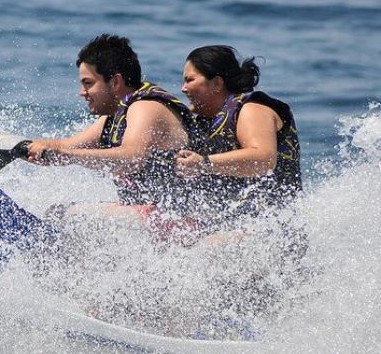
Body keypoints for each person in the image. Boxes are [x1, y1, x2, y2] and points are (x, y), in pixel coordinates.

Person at [27, 34, 196, 221]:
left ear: (115, 81)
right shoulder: (114, 116)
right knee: (59, 213)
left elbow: (131, 158)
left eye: (88, 83)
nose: (82, 93)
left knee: (64, 216)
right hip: (148, 218)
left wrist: (67, 156)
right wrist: (11, 144)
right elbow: (66, 145)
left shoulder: (145, 107)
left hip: (180, 223)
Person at [176, 45, 302, 226]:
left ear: (217, 83)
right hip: (229, 224)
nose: (183, 89)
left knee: (209, 246)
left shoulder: (251, 109)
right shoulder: (202, 119)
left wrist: (204, 163)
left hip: (274, 228)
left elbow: (263, 160)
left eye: (190, 80)